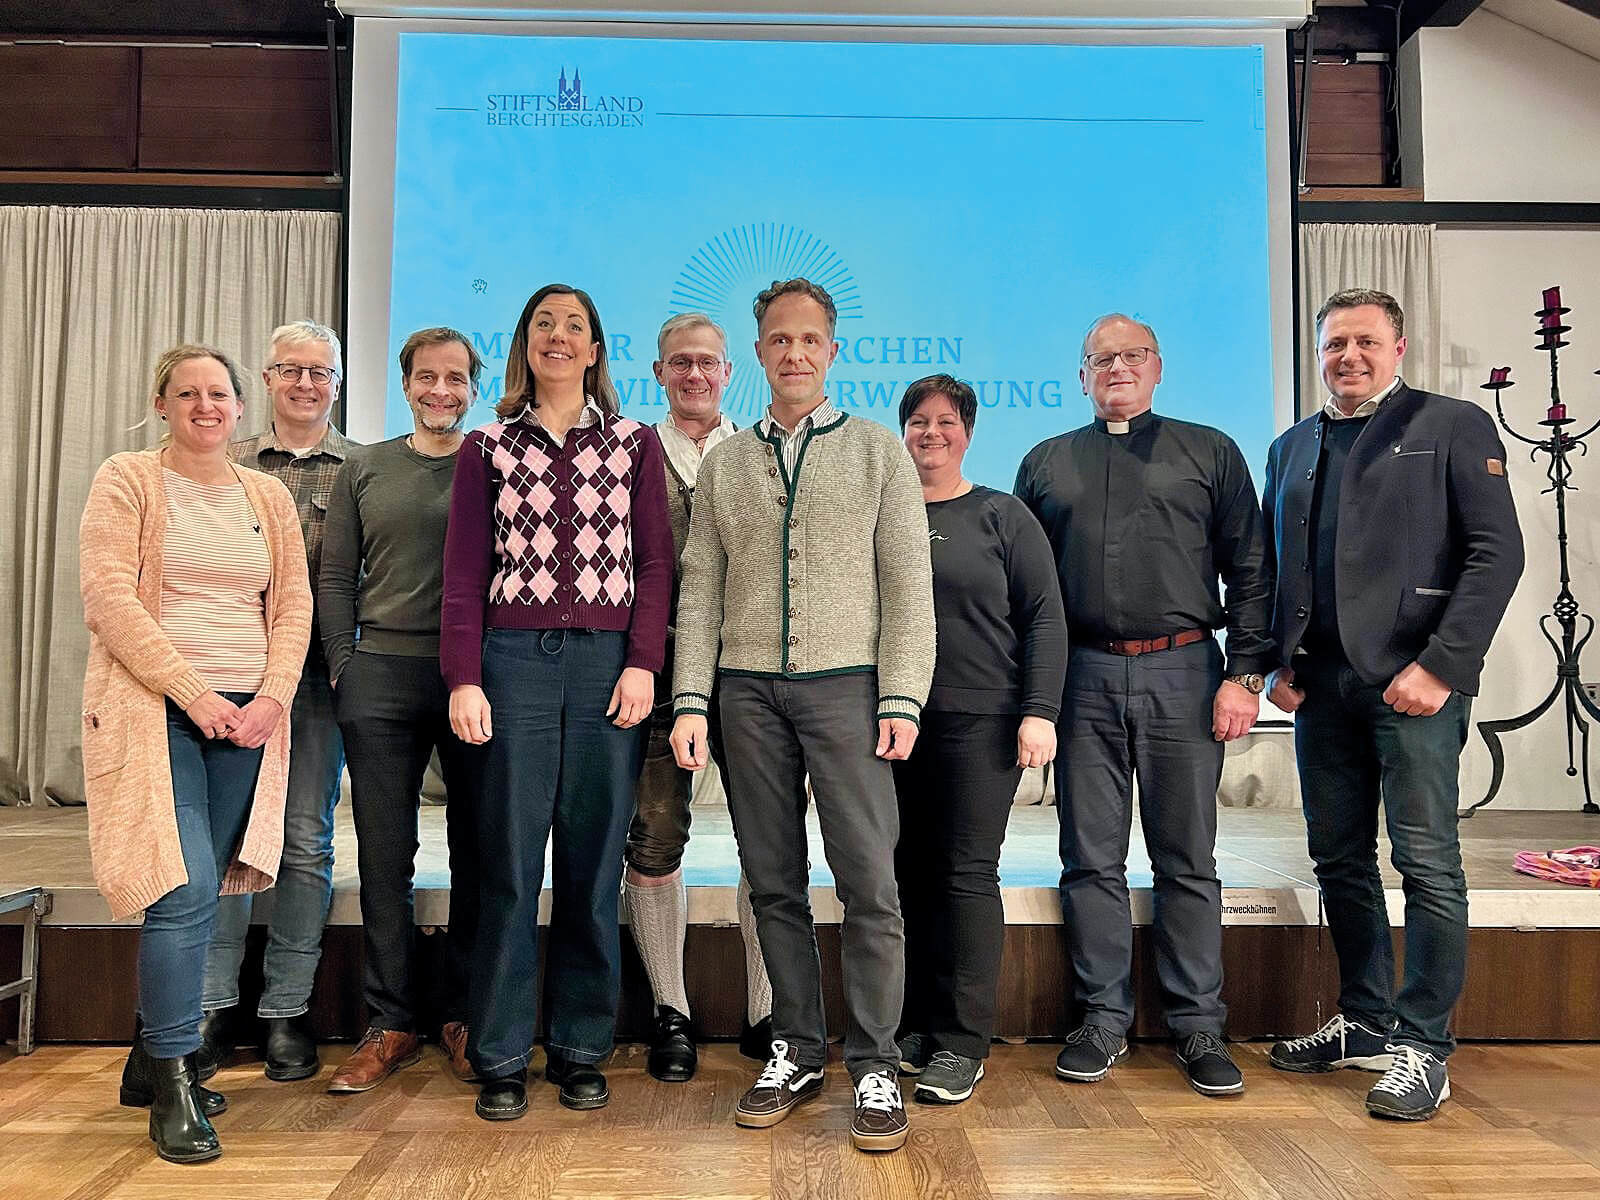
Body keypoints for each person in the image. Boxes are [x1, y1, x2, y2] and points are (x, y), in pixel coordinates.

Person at [670, 278, 935, 1153]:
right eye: (778, 340)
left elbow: (907, 584)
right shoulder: (727, 462)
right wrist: (692, 699)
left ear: (832, 350)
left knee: (870, 885)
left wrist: (901, 695)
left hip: (849, 691)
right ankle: (793, 1046)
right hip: (746, 695)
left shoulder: (876, 453)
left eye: (809, 339)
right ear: (759, 354)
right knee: (772, 883)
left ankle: (875, 1062)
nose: (793, 353)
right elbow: (701, 583)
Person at [1263, 288, 1523, 1119]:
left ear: (1399, 348)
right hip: (1322, 688)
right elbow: (1280, 566)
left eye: (1366, 342)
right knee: (1339, 861)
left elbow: (1497, 554)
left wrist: (1442, 666)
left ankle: (1423, 1045)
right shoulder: (1291, 446)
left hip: (1413, 687)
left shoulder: (1451, 425)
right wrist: (1279, 661)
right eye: (1335, 343)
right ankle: (1366, 1021)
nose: (1349, 357)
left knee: (1427, 864)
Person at [1015, 313, 1274, 1097]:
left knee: (1186, 860)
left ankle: (1198, 1027)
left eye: (1132, 357)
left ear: (1158, 368)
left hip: (1186, 672)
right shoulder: (1046, 464)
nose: (1117, 369)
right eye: (1101, 359)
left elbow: (1254, 567)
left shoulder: (1212, 452)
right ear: (1081, 375)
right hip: (1082, 678)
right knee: (1089, 859)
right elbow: (1025, 594)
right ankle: (1101, 1020)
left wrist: (1247, 675)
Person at [441, 284, 672, 1121]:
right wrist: (464, 677)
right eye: (545, 324)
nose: (560, 336)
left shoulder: (635, 444)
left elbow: (655, 567)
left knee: (591, 863)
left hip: (607, 667)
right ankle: (501, 1053)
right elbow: (464, 575)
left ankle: (580, 1046)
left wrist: (643, 662)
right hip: (511, 666)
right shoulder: (488, 447)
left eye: (576, 325)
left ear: (598, 349)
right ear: (525, 345)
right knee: (506, 861)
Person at [80, 344, 311, 1162]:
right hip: (159, 713)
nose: (206, 406)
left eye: (219, 393)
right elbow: (108, 596)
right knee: (178, 893)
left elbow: (292, 605)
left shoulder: (267, 495)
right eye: (188, 393)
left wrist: (272, 699)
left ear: (240, 408)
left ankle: (151, 1059)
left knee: (207, 889)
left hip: (247, 720)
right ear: (162, 403)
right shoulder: (129, 479)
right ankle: (174, 1081)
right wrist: (194, 693)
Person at [317, 327, 488, 1093]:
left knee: (477, 856)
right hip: (380, 677)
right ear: (407, 382)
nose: (440, 390)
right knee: (386, 859)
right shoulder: (366, 466)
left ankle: (461, 1014)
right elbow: (334, 578)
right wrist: (347, 668)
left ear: (474, 387)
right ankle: (390, 1021)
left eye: (456, 377)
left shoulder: (494, 464)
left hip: (472, 681)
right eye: (427, 377)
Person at [892, 375, 1067, 1104]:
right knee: (907, 875)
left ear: (967, 431)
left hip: (982, 721)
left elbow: (1045, 618)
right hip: (895, 723)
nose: (931, 433)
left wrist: (1040, 710)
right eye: (918, 422)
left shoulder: (1003, 514)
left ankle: (963, 1041)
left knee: (965, 875)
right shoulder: (886, 514)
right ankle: (917, 1025)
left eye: (945, 421)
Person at [201, 320, 357, 1082]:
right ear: (264, 380)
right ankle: (210, 1007)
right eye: (290, 369)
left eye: (319, 372)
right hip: (230, 683)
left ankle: (286, 1009)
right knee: (228, 842)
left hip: (320, 686)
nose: (304, 383)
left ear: (338, 383)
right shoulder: (221, 465)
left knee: (304, 843)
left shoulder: (365, 469)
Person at [624, 313, 773, 1083]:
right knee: (653, 838)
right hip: (651, 672)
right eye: (678, 362)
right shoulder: (627, 452)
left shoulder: (760, 455)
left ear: (728, 373)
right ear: (658, 372)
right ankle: (671, 1010)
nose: (694, 375)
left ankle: (763, 1012)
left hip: (748, 672)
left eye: (708, 363)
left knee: (767, 839)